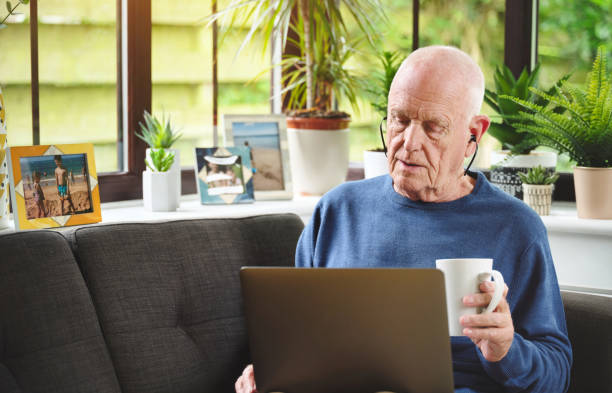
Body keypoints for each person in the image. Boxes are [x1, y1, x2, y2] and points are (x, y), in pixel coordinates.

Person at [235, 46, 572, 393]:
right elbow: (296, 338)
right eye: (400, 119)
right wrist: (271, 372)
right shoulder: (337, 211)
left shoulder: (516, 228)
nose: (409, 143)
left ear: (474, 135)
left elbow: (556, 374)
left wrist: (506, 350)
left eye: (433, 127)